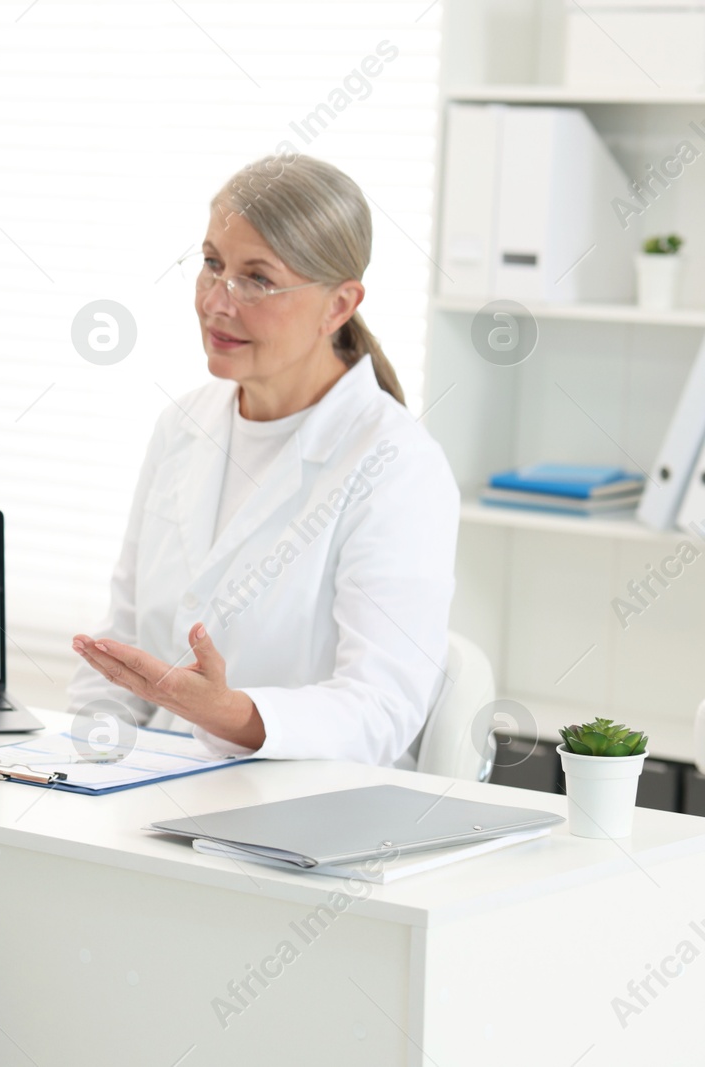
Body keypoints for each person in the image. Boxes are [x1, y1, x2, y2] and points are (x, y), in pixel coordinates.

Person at [69, 153, 460, 768]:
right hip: (153, 794)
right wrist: (87, 761)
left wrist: (228, 713)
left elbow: (382, 712)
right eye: (212, 265)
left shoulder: (397, 465)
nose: (218, 303)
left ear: (338, 305)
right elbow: (117, 651)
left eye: (257, 279)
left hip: (302, 819)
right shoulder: (182, 427)